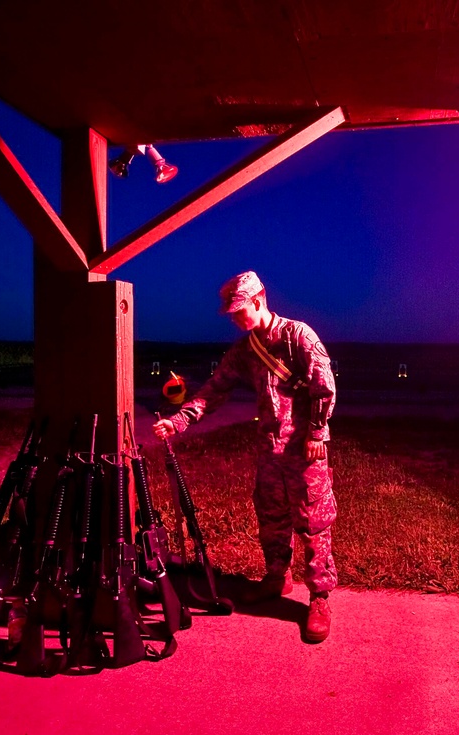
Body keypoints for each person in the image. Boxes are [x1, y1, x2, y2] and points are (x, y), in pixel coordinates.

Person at [152, 270, 337, 642]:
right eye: (232, 313)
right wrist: (179, 421)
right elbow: (214, 390)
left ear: (259, 299)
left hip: (304, 448)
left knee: (313, 521)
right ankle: (276, 579)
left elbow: (324, 385)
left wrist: (317, 431)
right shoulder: (244, 351)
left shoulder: (298, 336)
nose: (235, 318)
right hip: (269, 447)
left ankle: (319, 596)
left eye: (240, 310)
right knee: (270, 517)